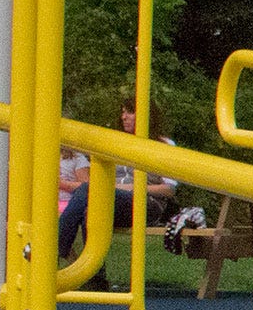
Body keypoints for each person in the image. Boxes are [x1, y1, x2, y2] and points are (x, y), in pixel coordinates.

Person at [58, 105, 176, 276]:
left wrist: (126, 188)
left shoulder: (163, 144)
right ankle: (95, 277)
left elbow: (168, 190)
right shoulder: (116, 142)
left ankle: (58, 245)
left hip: (147, 204)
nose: (124, 117)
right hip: (113, 201)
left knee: (88, 189)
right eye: (122, 112)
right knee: (90, 211)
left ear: (145, 115)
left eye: (130, 112)